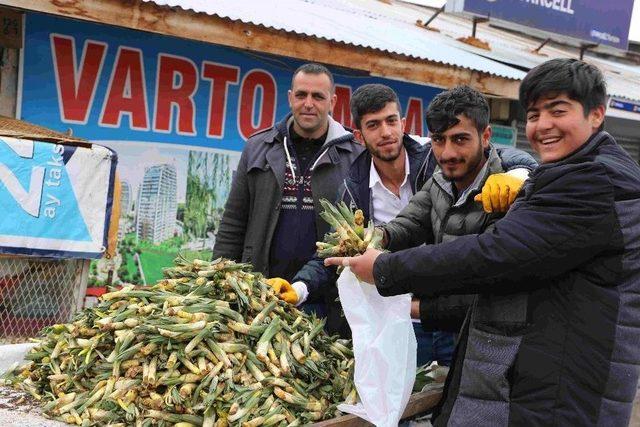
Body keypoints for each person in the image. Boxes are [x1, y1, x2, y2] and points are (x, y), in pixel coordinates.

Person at [326, 58, 640, 426]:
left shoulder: (588, 180)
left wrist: (384, 271)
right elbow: (410, 223)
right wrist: (372, 240)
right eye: (535, 114)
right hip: (525, 362)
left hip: (562, 382)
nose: (544, 126)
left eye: (559, 111)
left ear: (596, 114)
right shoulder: (446, 181)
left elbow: (493, 255)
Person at [286, 84, 537, 365]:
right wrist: (367, 241)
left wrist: (521, 173)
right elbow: (404, 225)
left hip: (484, 339)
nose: (449, 152)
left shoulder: (499, 190)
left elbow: (476, 269)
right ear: (359, 136)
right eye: (440, 140)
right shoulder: (433, 180)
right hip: (418, 322)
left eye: (460, 140)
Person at [212, 63, 364, 314]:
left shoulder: (354, 156)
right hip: (260, 290)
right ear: (290, 97)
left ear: (333, 102)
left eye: (318, 96)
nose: (308, 103)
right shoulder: (258, 147)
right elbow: (233, 223)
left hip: (325, 299)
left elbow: (354, 236)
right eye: (302, 95)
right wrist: (217, 281)